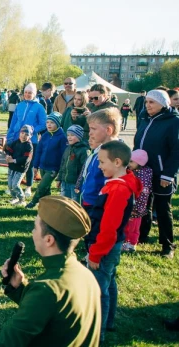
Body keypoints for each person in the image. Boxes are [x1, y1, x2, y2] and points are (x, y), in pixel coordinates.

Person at [0, 196, 101, 346]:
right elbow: (51, 313)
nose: (32, 232)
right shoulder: (85, 275)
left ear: (49, 240)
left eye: (35, 227)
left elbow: (6, 343)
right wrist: (20, 287)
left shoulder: (47, 288)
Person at [86, 141, 142, 341]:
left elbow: (109, 228)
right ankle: (108, 322)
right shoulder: (121, 183)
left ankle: (96, 334)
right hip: (111, 245)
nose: (99, 166)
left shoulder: (118, 190)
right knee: (109, 282)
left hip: (105, 247)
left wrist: (95, 253)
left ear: (117, 162)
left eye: (102, 162)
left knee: (99, 290)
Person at [133, 89, 179, 259]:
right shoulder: (145, 118)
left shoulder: (174, 122)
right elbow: (139, 143)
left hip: (162, 173)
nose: (148, 105)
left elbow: (176, 151)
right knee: (143, 204)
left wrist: (168, 175)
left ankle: (167, 245)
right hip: (143, 171)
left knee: (162, 208)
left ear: (163, 103)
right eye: (146, 102)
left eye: (152, 102)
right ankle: (142, 235)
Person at [76, 109, 122, 220]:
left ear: (108, 130)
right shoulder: (99, 150)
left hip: (99, 205)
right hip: (89, 200)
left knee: (95, 235)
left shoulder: (114, 155)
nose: (90, 132)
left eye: (93, 129)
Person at [6, 83, 47, 198]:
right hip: (16, 139)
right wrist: (10, 135)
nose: (28, 95)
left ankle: (28, 187)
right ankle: (12, 186)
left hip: (31, 141)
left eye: (30, 93)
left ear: (34, 94)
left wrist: (32, 131)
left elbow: (43, 124)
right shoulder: (20, 105)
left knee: (28, 164)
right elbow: (13, 121)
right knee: (13, 162)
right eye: (26, 93)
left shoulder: (39, 107)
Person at [26, 112, 67, 209]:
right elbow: (39, 151)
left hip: (53, 168)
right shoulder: (45, 135)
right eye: (47, 122)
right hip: (43, 166)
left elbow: (64, 156)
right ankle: (47, 206)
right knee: (46, 188)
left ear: (58, 123)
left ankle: (33, 202)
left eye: (52, 123)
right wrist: (35, 166)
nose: (49, 125)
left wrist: (60, 171)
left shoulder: (62, 137)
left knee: (42, 186)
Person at [122, 149, 152, 253]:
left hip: (137, 207)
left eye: (131, 161)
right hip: (128, 205)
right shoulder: (132, 172)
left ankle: (132, 244)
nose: (128, 164)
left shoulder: (143, 175)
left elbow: (144, 193)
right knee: (126, 224)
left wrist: (138, 207)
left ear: (139, 163)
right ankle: (125, 241)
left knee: (134, 227)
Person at [56, 125, 89, 201]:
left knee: (74, 203)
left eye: (72, 135)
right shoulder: (68, 148)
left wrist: (79, 184)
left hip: (75, 184)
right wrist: (59, 178)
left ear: (79, 136)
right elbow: (63, 164)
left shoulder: (83, 150)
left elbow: (84, 169)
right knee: (64, 201)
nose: (69, 137)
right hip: (65, 182)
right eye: (68, 135)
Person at [4, 125, 33, 206]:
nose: (23, 136)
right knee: (10, 185)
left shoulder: (29, 146)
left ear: (30, 136)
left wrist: (14, 160)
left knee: (15, 185)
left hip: (21, 168)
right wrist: (8, 156)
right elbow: (9, 150)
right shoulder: (16, 142)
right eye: (22, 133)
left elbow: (26, 158)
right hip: (12, 167)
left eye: (26, 134)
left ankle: (22, 199)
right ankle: (14, 197)